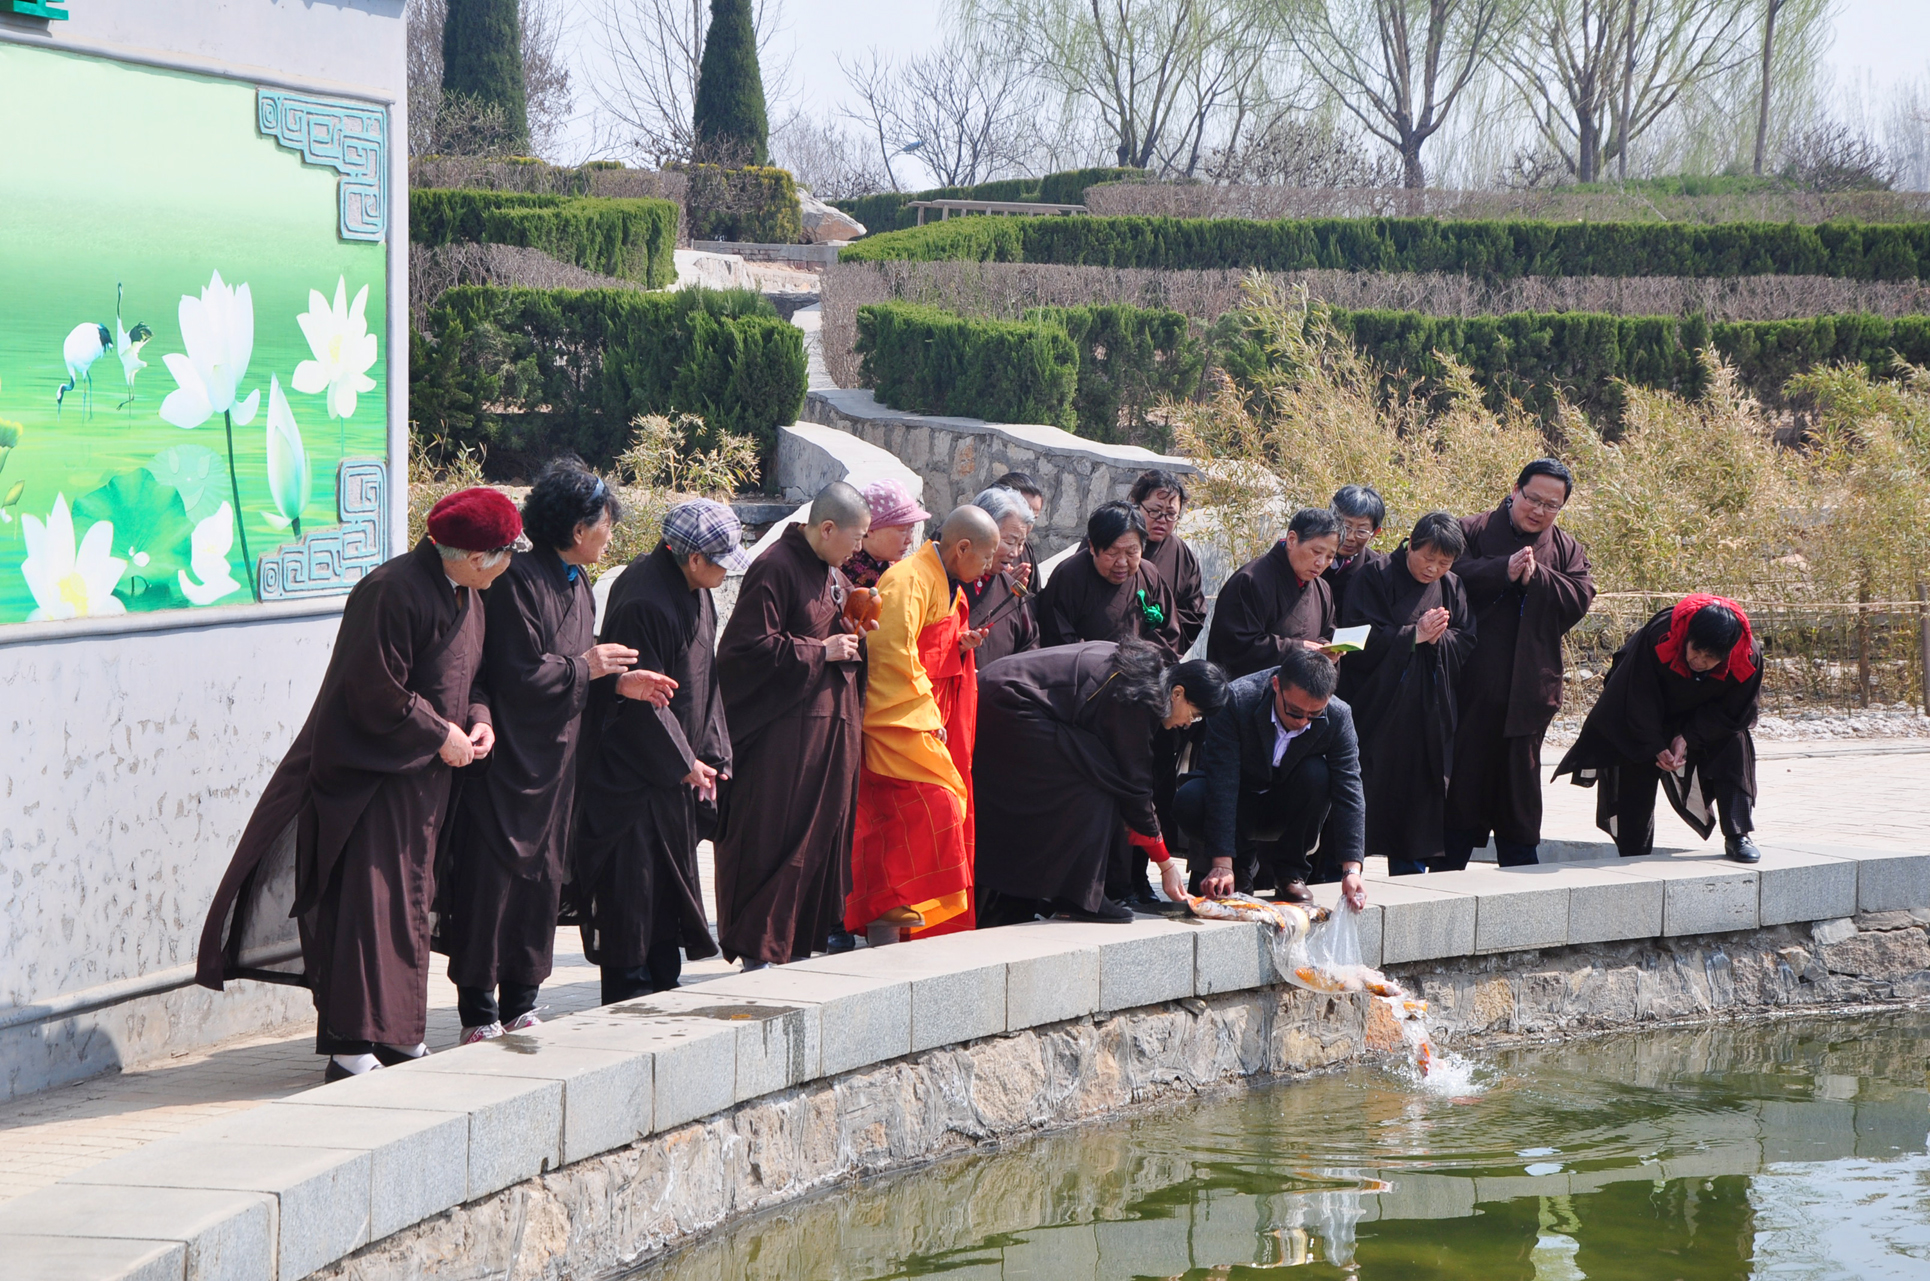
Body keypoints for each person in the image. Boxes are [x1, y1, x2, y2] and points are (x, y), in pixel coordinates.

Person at [194, 487, 518, 1081]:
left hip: (426, 786)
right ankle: (350, 1047)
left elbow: (476, 679)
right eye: (503, 553)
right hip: (368, 781)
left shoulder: (470, 597)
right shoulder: (390, 590)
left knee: (408, 909)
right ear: (475, 556)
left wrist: (479, 721)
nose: (507, 564)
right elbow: (375, 690)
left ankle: (398, 1037)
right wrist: (438, 733)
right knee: (365, 911)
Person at [439, 462, 657, 1043]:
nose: (610, 534)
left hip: (559, 767)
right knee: (493, 883)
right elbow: (515, 675)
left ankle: (522, 999)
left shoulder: (577, 584)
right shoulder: (517, 581)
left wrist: (617, 682)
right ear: (579, 528)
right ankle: (479, 1010)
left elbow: (580, 667)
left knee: (541, 882)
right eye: (606, 523)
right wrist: (586, 668)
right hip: (509, 763)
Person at [570, 500, 749, 1002]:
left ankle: (662, 987)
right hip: (631, 781)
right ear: (693, 558)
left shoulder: (696, 590)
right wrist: (682, 761)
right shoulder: (644, 599)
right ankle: (628, 996)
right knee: (633, 895)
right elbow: (640, 699)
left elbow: (704, 681)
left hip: (673, 776)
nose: (724, 570)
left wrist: (712, 753)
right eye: (719, 560)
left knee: (666, 896)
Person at [714, 482, 872, 969]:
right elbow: (742, 652)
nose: (860, 548)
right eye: (857, 537)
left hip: (826, 731)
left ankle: (789, 945)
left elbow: (829, 631)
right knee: (772, 837)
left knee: (818, 835)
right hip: (781, 739)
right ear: (827, 528)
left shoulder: (828, 570)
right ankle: (757, 949)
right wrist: (819, 651)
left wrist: (852, 630)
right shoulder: (775, 567)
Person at [976, 640, 1229, 925]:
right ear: (1178, 693)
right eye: (1194, 715)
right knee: (1100, 780)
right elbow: (1135, 786)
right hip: (1008, 704)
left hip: (1000, 692)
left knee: (1099, 773)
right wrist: (1166, 865)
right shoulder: (1137, 696)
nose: (1187, 724)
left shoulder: (1150, 673)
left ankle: (1066, 893)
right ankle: (1077, 897)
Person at [847, 506, 1001, 944]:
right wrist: (926, 718)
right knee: (940, 802)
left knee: (904, 818)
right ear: (962, 548)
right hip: (895, 717)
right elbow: (892, 651)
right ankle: (891, 907)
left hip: (925, 712)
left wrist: (959, 643)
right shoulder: (907, 579)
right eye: (986, 557)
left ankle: (896, 913)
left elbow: (927, 644)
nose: (990, 567)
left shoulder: (943, 582)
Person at [1443, 459, 1596, 869]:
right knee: (1461, 779)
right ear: (1515, 490)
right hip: (1468, 688)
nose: (1539, 511)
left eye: (1552, 505)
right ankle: (1445, 866)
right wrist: (1500, 570)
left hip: (1529, 688)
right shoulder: (1470, 530)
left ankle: (1521, 867)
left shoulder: (1566, 549)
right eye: (1533, 499)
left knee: (1519, 784)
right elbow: (1441, 575)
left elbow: (1581, 596)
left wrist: (1537, 578)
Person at [1554, 596, 1763, 863]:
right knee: (1635, 754)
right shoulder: (1661, 635)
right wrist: (1655, 744)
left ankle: (1738, 834)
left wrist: (1688, 736)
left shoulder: (1748, 657)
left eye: (1710, 658)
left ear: (1726, 655)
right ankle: (1632, 850)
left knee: (1734, 745)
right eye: (1695, 651)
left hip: (1705, 714)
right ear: (1687, 638)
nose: (1698, 661)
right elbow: (1635, 695)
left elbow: (1736, 711)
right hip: (1649, 708)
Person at [1336, 512, 1477, 875]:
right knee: (1364, 791)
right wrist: (1412, 636)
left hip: (1427, 714)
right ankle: (1345, 870)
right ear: (1410, 543)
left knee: (1418, 802)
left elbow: (1466, 639)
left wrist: (1436, 637)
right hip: (1375, 711)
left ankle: (1411, 872)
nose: (1433, 569)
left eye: (1443, 563)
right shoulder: (1374, 576)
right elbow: (1353, 637)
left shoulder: (1452, 586)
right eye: (1428, 558)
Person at [1174, 648, 1366, 908]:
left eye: (1314, 715)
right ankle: (1239, 869)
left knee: (1318, 774)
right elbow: (1223, 781)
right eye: (1295, 712)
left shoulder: (1339, 716)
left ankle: (1291, 872)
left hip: (1286, 807)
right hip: (1239, 798)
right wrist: (1222, 863)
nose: (1303, 722)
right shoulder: (1238, 700)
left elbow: (1349, 789)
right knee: (1191, 798)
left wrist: (1351, 870)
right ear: (1277, 685)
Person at [1035, 500, 1184, 660]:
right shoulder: (1069, 577)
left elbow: (1168, 633)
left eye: (1131, 552)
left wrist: (1141, 663)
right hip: (1084, 674)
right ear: (1092, 547)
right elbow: (1056, 639)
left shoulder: (1149, 574)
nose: (1122, 562)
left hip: (1138, 674)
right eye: (1112, 553)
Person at [1206, 508, 1340, 679]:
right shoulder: (1250, 580)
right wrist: (1300, 649)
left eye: (1330, 557)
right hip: (1251, 694)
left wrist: (1326, 648)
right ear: (1292, 540)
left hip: (1300, 693)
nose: (1321, 563)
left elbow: (1327, 632)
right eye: (1316, 552)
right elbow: (1236, 647)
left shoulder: (1322, 588)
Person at [1132, 469, 1206, 651]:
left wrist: (1156, 649)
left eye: (1171, 514)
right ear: (1136, 505)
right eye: (1155, 511)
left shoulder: (1183, 556)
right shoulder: (1110, 540)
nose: (1162, 520)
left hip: (1156, 658)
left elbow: (1192, 615)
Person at [841, 477, 931, 588]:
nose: (909, 540)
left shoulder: (890, 565)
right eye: (902, 530)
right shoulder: (844, 576)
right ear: (869, 530)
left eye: (911, 529)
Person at [1325, 484, 1388, 618]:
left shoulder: (1377, 569)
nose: (1350, 537)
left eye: (1361, 531)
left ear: (1375, 533)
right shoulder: (1309, 555)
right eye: (1345, 527)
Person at [995, 470, 1047, 587]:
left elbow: (1034, 598)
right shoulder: (975, 547)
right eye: (1023, 512)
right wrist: (1002, 587)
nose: (1014, 553)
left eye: (1033, 518)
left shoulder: (1025, 550)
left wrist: (1015, 592)